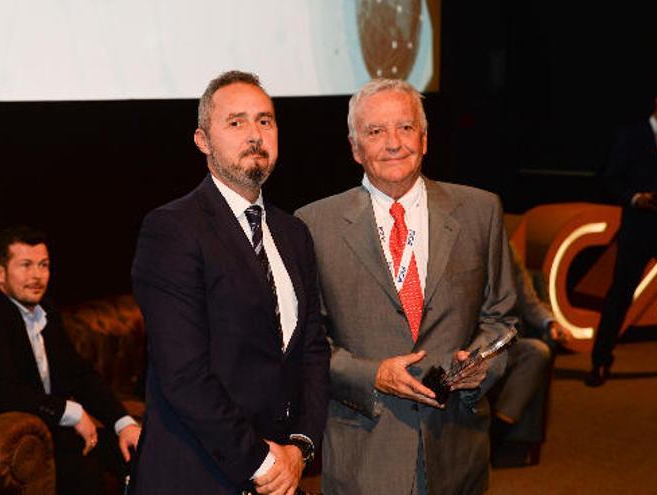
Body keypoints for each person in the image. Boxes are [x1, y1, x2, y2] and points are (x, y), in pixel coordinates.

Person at [295, 78, 517, 495]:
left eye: (405, 127)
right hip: (364, 453)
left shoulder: (480, 211)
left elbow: (502, 319)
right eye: (376, 132)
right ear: (355, 148)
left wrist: (486, 365)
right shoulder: (312, 225)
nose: (393, 143)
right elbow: (305, 343)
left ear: (425, 138)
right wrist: (372, 374)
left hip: (456, 448)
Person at [129, 71, 330, 495]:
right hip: (197, 473)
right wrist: (260, 462)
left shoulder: (293, 233)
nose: (254, 134)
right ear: (202, 140)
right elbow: (183, 374)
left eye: (265, 121)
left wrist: (299, 448)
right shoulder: (172, 229)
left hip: (282, 472)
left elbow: (311, 349)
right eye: (236, 123)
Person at [0, 226, 141, 494]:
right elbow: (2, 392)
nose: (37, 276)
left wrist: (124, 423)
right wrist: (71, 413)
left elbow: (79, 375)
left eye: (43, 265)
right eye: (26, 265)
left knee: (140, 451)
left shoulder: (45, 311)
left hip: (48, 426)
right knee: (84, 468)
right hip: (4, 438)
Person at [587, 76, 657, 386]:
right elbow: (610, 178)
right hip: (638, 232)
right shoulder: (630, 138)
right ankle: (600, 363)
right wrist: (635, 198)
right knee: (619, 298)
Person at [489, 244, 571, 466]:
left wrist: (551, 322)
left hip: (505, 343)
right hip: (469, 347)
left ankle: (494, 437)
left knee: (537, 351)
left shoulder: (506, 249)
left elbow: (530, 302)